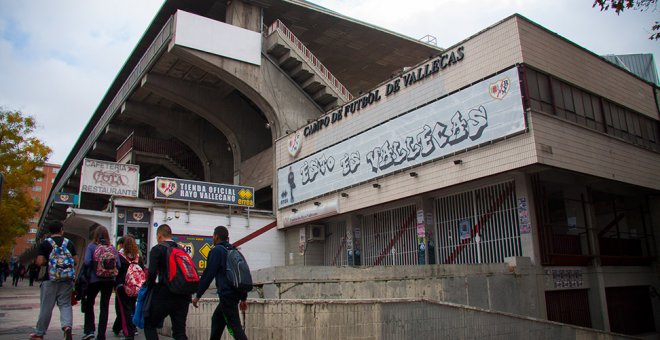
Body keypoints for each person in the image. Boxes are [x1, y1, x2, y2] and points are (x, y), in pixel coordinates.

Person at [192, 226, 248, 340]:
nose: (213, 238)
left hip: (227, 294)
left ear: (216, 236)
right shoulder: (234, 250)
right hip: (234, 293)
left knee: (235, 326)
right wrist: (243, 297)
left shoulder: (217, 250)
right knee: (217, 319)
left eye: (213, 236)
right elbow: (243, 274)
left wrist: (198, 295)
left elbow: (208, 274)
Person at [29, 220, 77, 340]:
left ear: (50, 232)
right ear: (61, 230)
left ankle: (39, 333)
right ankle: (67, 327)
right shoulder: (69, 243)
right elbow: (75, 261)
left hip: (50, 279)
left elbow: (39, 262)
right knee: (65, 305)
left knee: (46, 307)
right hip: (66, 280)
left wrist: (49, 261)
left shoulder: (45, 244)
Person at [144, 224, 191, 340]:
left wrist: (148, 289)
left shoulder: (157, 249)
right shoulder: (181, 249)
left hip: (165, 293)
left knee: (149, 323)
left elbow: (151, 273)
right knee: (179, 331)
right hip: (184, 294)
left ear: (159, 236)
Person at [82, 226, 121, 340]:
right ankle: (101, 334)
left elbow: (87, 261)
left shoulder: (91, 246)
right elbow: (118, 264)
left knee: (90, 304)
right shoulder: (112, 248)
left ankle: (89, 330)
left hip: (94, 280)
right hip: (109, 281)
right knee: (104, 307)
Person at [114, 235, 143, 340]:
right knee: (132, 308)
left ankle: (128, 333)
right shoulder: (137, 257)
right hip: (135, 286)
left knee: (124, 310)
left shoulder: (120, 256)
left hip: (123, 286)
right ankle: (133, 329)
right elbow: (143, 269)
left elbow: (116, 270)